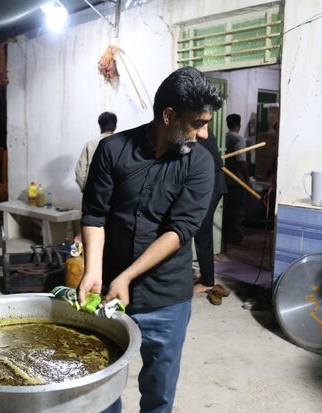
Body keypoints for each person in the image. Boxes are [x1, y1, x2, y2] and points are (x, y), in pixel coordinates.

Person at [79, 66, 222, 413]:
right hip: (109, 292)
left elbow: (180, 229)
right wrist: (93, 271)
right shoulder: (112, 150)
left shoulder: (200, 163)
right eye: (197, 123)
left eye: (207, 123)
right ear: (168, 115)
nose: (204, 134)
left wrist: (127, 276)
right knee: (101, 383)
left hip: (167, 298)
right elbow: (95, 214)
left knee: (159, 392)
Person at [193, 128, 228, 295]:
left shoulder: (199, 129)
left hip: (212, 186)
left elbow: (216, 162)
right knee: (200, 230)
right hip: (209, 186)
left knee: (202, 231)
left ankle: (207, 281)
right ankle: (205, 276)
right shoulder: (195, 127)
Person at [223, 113, 250, 245]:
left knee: (227, 210)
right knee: (237, 210)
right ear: (239, 126)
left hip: (224, 180)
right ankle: (237, 237)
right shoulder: (239, 139)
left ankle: (226, 236)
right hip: (237, 181)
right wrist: (247, 181)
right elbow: (242, 161)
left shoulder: (224, 137)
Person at [75, 111, 117, 192]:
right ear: (115, 126)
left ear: (100, 126)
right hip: (115, 195)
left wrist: (86, 190)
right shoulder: (122, 144)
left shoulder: (90, 144)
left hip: (93, 191)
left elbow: (80, 171)